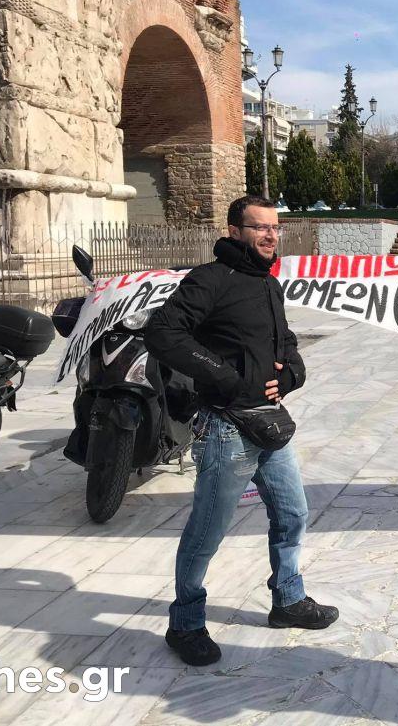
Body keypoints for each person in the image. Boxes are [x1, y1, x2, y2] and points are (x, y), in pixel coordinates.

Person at [144, 196, 338, 666]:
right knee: (207, 532)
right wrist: (227, 378)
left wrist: (290, 374)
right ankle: (185, 623)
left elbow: (286, 344)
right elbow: (164, 333)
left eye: (275, 228)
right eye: (260, 229)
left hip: (268, 424)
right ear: (235, 231)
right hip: (225, 427)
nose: (271, 236)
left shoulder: (268, 284)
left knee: (293, 514)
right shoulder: (211, 279)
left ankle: (287, 600)